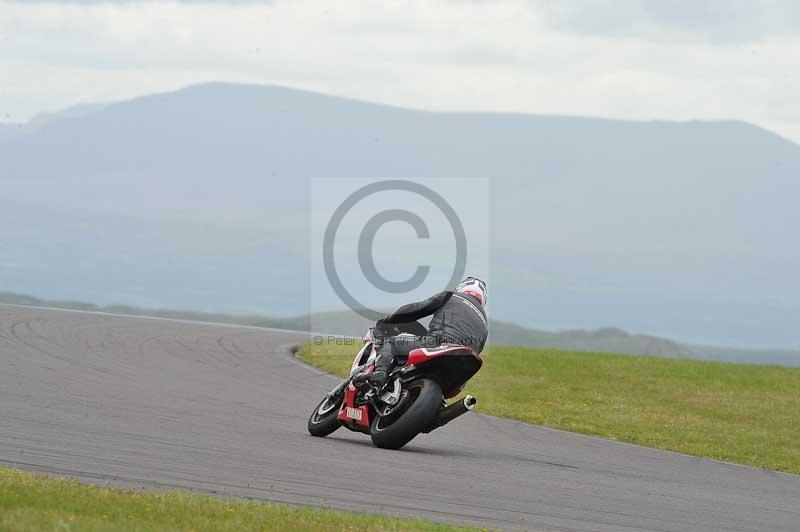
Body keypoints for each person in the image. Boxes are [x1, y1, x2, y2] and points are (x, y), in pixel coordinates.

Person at [355, 276, 488, 388]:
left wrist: (386, 323)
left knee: (392, 343)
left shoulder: (452, 296)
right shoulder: (484, 324)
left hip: (440, 343)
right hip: (464, 366)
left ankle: (380, 373)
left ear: (462, 288)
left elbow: (416, 309)